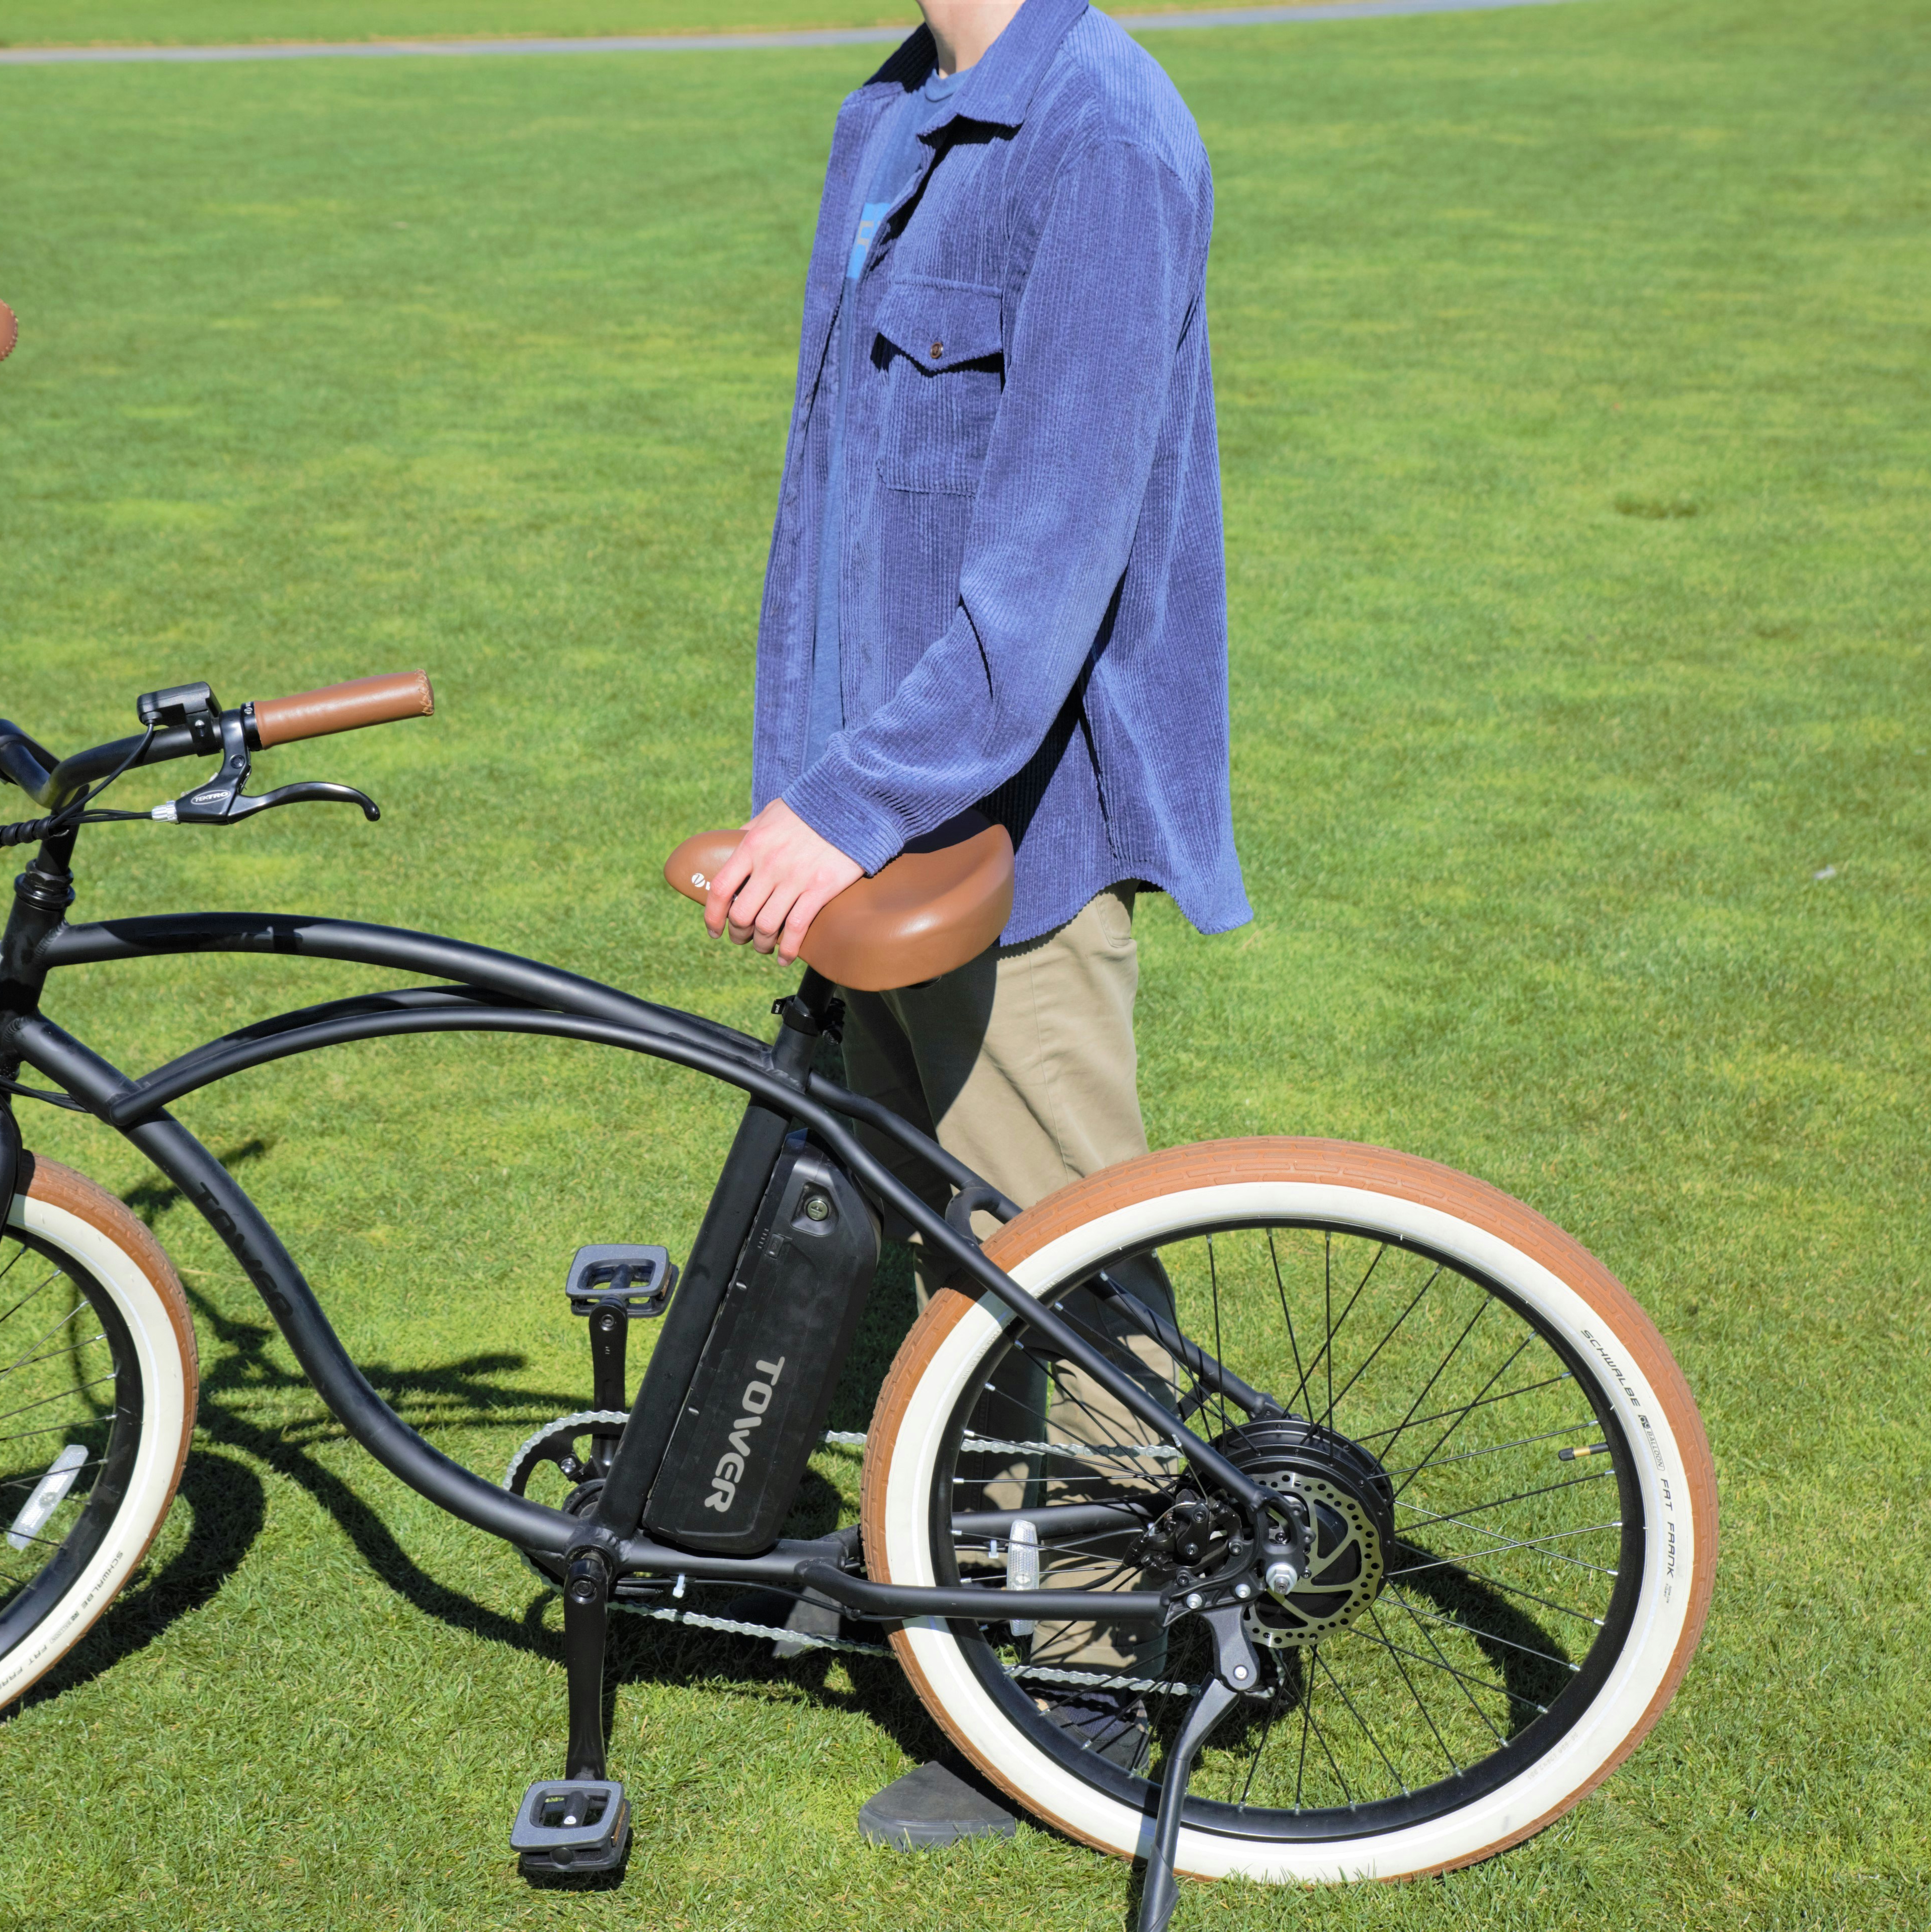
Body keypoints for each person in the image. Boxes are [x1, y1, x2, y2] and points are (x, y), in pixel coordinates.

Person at [695, 0, 1250, 1846]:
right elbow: (843, 497)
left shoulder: (1101, 135)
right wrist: (820, 800)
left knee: (1058, 1253)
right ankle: (945, 1562)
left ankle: (1091, 1684)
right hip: (882, 811)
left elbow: (1046, 565)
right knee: (939, 1228)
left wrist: (842, 807)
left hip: (1017, 828)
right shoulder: (905, 104)